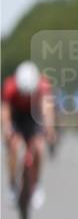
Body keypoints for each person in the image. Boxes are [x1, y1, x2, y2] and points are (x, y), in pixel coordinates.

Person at [2, 62, 56, 207]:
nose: (26, 96)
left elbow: (47, 110)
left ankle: (36, 185)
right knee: (14, 147)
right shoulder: (10, 86)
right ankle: (13, 184)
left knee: (39, 148)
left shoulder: (43, 87)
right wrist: (7, 129)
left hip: (34, 117)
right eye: (23, 93)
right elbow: (5, 112)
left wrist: (49, 128)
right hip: (17, 117)